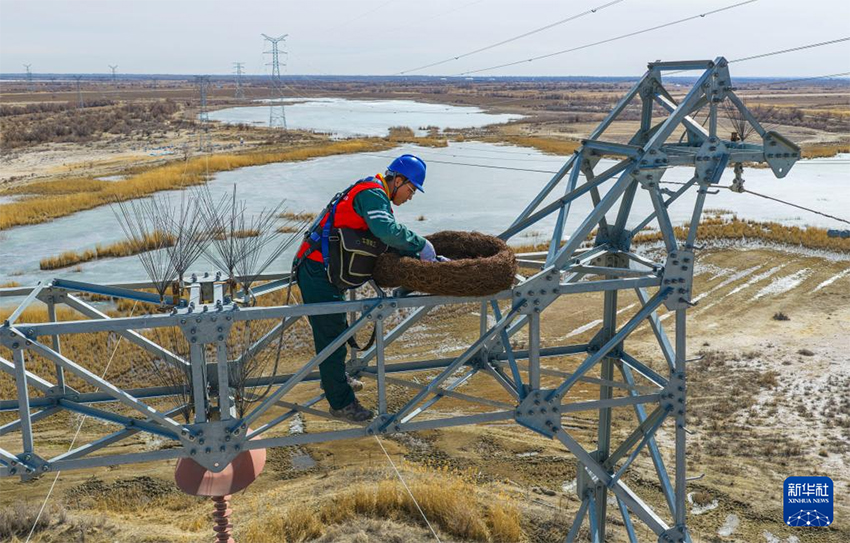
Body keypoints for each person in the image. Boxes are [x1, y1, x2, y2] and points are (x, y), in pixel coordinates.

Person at [293, 154, 436, 422]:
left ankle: (334, 378)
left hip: (325, 271)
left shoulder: (376, 194)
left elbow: (382, 239)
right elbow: (387, 231)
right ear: (399, 179)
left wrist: (422, 257)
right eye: (411, 189)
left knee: (335, 333)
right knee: (331, 337)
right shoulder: (372, 193)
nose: (411, 196)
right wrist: (421, 244)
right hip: (316, 271)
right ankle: (341, 403)